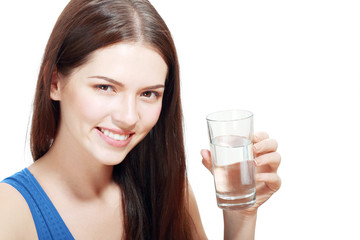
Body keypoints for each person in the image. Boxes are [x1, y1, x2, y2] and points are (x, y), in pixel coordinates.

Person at [0, 0, 281, 239]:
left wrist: (241, 215)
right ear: (55, 83)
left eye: (148, 94)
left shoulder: (170, 193)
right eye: (105, 87)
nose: (128, 116)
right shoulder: (10, 212)